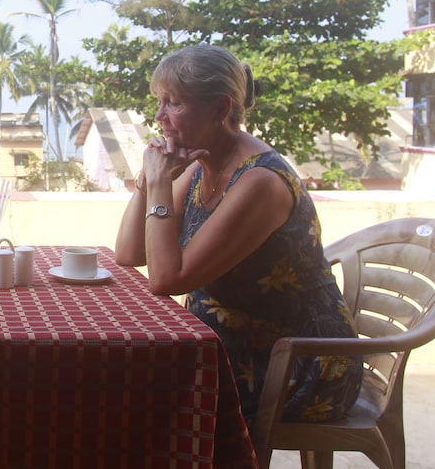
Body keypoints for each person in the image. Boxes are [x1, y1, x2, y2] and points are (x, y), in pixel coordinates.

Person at [114, 44, 362, 424]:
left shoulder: (260, 181)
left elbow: (166, 280)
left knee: (134, 397)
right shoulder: (199, 166)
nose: (159, 116)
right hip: (226, 347)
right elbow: (130, 254)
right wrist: (148, 183)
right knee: (118, 381)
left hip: (295, 362)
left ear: (220, 108)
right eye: (159, 102)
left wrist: (161, 183)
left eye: (174, 103)